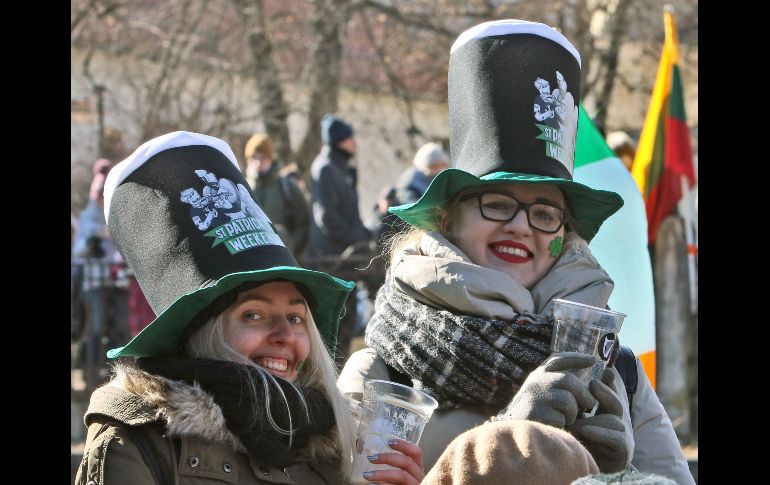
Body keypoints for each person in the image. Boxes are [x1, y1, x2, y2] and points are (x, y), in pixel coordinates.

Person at [339, 19, 694, 485]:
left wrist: (618, 475)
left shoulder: (616, 368)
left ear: (563, 234)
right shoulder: (385, 372)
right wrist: (512, 440)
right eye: (498, 203)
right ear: (449, 217)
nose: (521, 225)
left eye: (545, 213)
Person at [75, 131, 425, 485]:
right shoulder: (134, 444)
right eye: (253, 315)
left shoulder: (336, 449)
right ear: (198, 330)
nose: (286, 335)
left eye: (296, 317)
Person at [307, 114, 371, 362]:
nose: (354, 143)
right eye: (350, 138)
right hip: (330, 263)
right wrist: (355, 236)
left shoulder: (342, 170)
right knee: (334, 328)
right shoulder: (325, 169)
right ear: (340, 141)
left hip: (345, 262)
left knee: (347, 325)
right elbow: (327, 218)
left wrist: (364, 233)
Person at [72, 158, 131, 390]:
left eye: (103, 195)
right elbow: (77, 251)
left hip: (117, 281)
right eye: (97, 195)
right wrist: (90, 243)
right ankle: (93, 372)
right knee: (96, 328)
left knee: (120, 329)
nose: (100, 200)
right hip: (94, 282)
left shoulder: (117, 215)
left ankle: (120, 373)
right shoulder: (86, 218)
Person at [244, 133, 310, 258]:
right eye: (254, 158)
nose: (258, 163)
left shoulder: (287, 187)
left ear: (270, 158)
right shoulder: (241, 189)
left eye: (262, 158)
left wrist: (290, 247)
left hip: (284, 259)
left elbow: (303, 224)